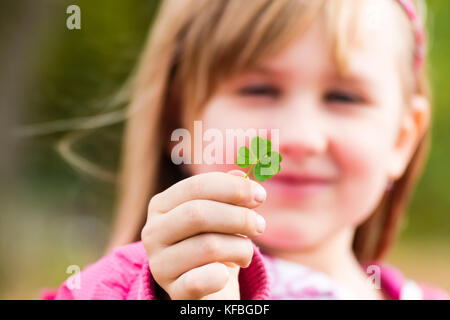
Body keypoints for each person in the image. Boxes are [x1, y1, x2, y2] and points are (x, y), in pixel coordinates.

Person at [45, 0, 449, 299]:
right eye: (259, 90)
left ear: (401, 139)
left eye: (344, 97)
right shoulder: (118, 287)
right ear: (177, 123)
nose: (300, 137)